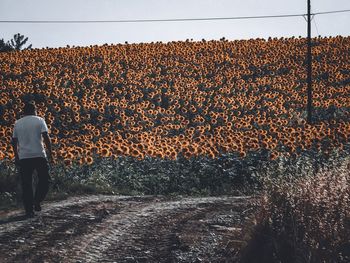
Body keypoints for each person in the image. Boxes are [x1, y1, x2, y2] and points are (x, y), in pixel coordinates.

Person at [11, 102, 53, 218]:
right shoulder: (39, 120)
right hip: (39, 155)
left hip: (24, 157)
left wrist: (16, 156)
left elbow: (14, 141)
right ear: (34, 110)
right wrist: (51, 153)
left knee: (26, 184)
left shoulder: (17, 123)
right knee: (45, 180)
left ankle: (29, 210)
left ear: (24, 111)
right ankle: (37, 200)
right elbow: (46, 137)